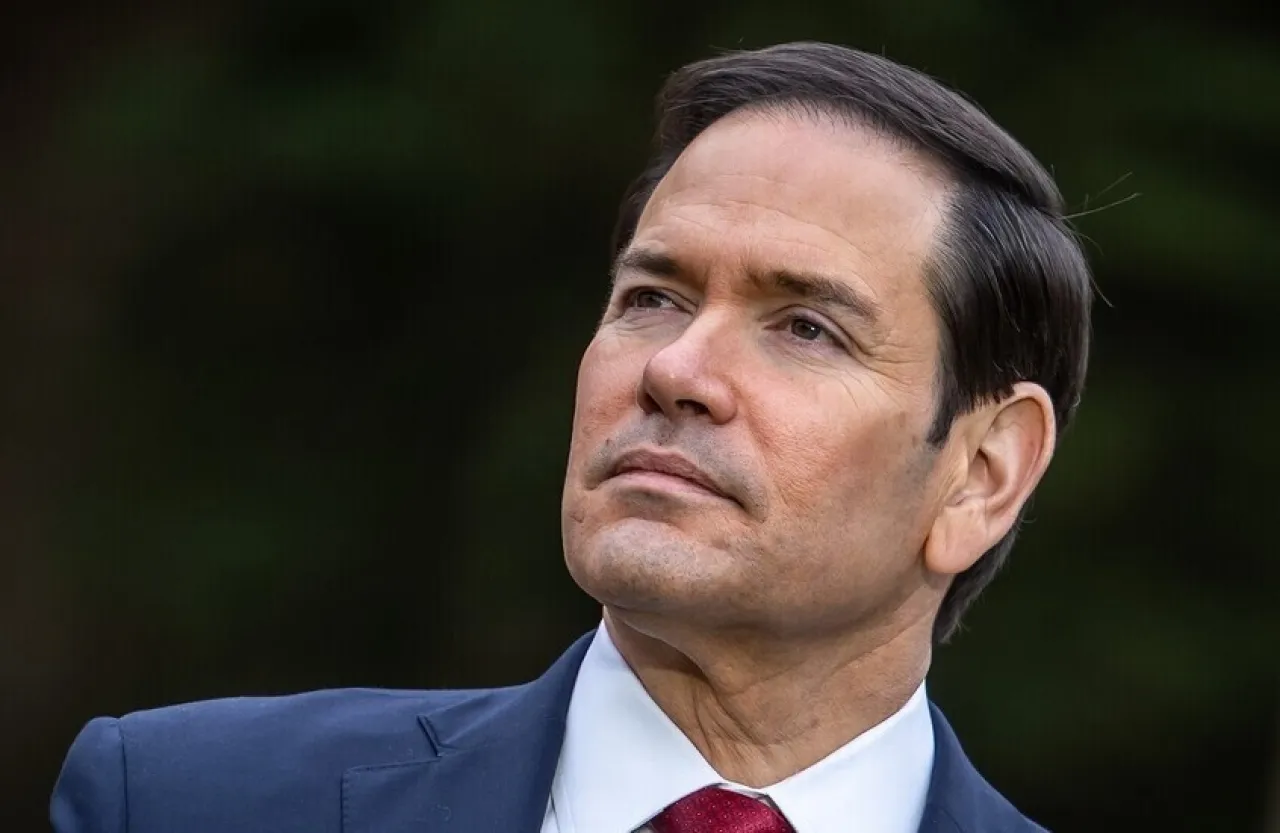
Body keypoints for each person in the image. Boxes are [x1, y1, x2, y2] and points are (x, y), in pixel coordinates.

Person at [51, 41, 1092, 833]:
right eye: (651, 298)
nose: (674, 370)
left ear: (980, 473)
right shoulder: (181, 800)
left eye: (805, 328)